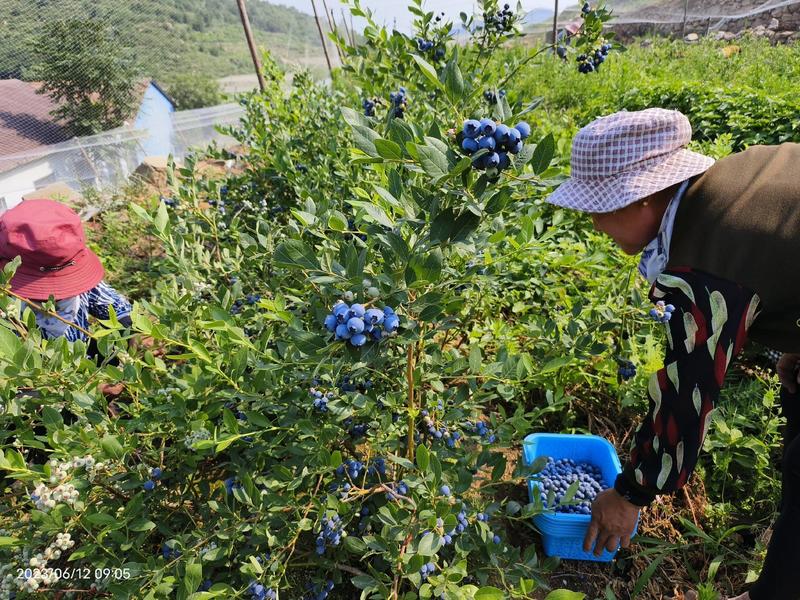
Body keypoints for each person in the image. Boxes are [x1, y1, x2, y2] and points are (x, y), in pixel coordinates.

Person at [544, 108, 800, 600]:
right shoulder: (726, 187)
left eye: (599, 209)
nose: (594, 224)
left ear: (643, 197)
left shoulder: (707, 262)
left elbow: (689, 393)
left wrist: (631, 493)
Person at [0, 199, 134, 399]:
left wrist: (126, 363)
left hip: (83, 365)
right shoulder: (6, 313)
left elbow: (122, 313)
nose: (57, 295)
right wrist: (76, 394)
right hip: (40, 396)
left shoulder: (82, 281)